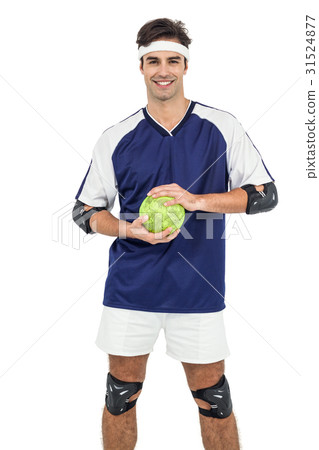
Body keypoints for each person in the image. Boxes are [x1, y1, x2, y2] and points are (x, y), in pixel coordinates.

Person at [72, 18, 278, 450]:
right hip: (131, 290)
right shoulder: (116, 137)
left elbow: (265, 195)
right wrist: (129, 229)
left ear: (185, 66)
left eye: (172, 61)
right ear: (141, 68)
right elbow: (84, 211)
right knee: (121, 397)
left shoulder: (222, 126)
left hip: (198, 290)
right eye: (153, 61)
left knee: (213, 399)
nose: (162, 70)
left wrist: (199, 200)